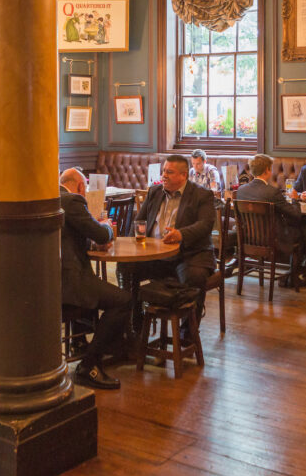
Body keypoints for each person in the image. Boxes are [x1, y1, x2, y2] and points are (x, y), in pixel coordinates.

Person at [60, 168, 132, 390]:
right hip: (70, 283)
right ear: (81, 187)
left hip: (49, 282)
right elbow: (101, 234)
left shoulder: (49, 198)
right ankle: (90, 363)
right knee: (123, 300)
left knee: (106, 294)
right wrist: (108, 227)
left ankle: (97, 346)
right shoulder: (72, 200)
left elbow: (69, 236)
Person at [122, 155, 215, 322]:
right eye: (164, 171)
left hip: (188, 255)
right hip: (154, 256)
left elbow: (205, 225)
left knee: (195, 276)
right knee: (126, 266)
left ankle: (188, 333)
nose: (164, 175)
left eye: (169, 172)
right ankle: (134, 321)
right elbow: (139, 222)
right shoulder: (154, 192)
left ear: (184, 175)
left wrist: (181, 234)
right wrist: (132, 245)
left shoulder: (202, 195)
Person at [236, 153, 306, 284]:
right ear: (267, 171)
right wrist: (294, 199)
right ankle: (297, 274)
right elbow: (296, 215)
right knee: (301, 227)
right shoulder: (272, 192)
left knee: (302, 227)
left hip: (249, 240)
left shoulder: (241, 190)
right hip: (273, 241)